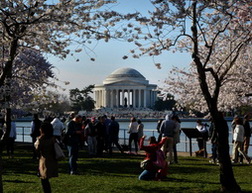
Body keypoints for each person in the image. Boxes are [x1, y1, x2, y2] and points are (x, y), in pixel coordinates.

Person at [34, 122, 58, 193]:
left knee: (44, 178)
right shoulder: (53, 139)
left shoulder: (41, 139)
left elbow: (37, 149)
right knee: (46, 177)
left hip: (44, 159)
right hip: (52, 159)